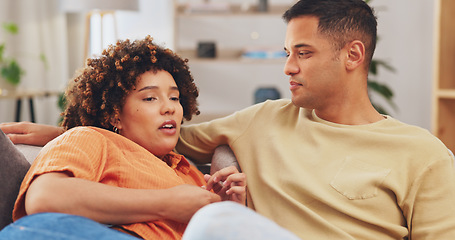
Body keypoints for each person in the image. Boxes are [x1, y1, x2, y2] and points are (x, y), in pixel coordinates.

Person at [2, 0, 455, 239]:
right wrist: (70, 132)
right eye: (286, 53)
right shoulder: (262, 120)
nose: (287, 68)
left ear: (353, 55)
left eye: (303, 53)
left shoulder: (423, 155)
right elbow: (160, 138)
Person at [0, 36, 247, 240]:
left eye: (174, 98)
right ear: (115, 115)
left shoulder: (189, 172)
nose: (169, 108)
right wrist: (167, 202)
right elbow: (45, 198)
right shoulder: (91, 139)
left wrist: (227, 209)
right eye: (150, 98)